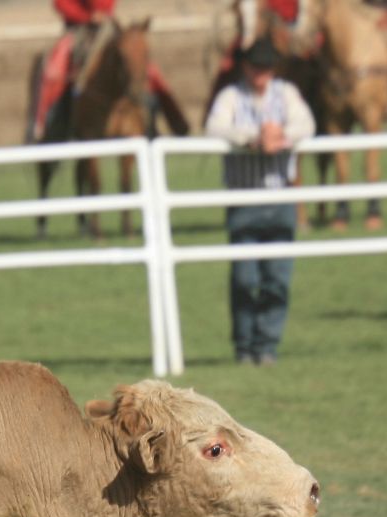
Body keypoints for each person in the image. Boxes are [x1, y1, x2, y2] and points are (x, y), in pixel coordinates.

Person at [204, 37, 315, 366]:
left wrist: (281, 135)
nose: (261, 74)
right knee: (245, 278)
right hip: (244, 200)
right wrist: (251, 138)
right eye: (256, 67)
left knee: (277, 277)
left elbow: (306, 124)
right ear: (245, 67)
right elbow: (214, 127)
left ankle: (267, 345)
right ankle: (244, 345)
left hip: (280, 197)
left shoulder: (287, 93)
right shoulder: (230, 96)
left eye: (266, 67)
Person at [30, 0, 185, 140]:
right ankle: (43, 123)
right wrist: (87, 16)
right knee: (54, 69)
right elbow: (61, 3)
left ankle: (171, 123)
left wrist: (103, 14)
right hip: (78, 28)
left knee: (142, 65)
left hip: (107, 26)